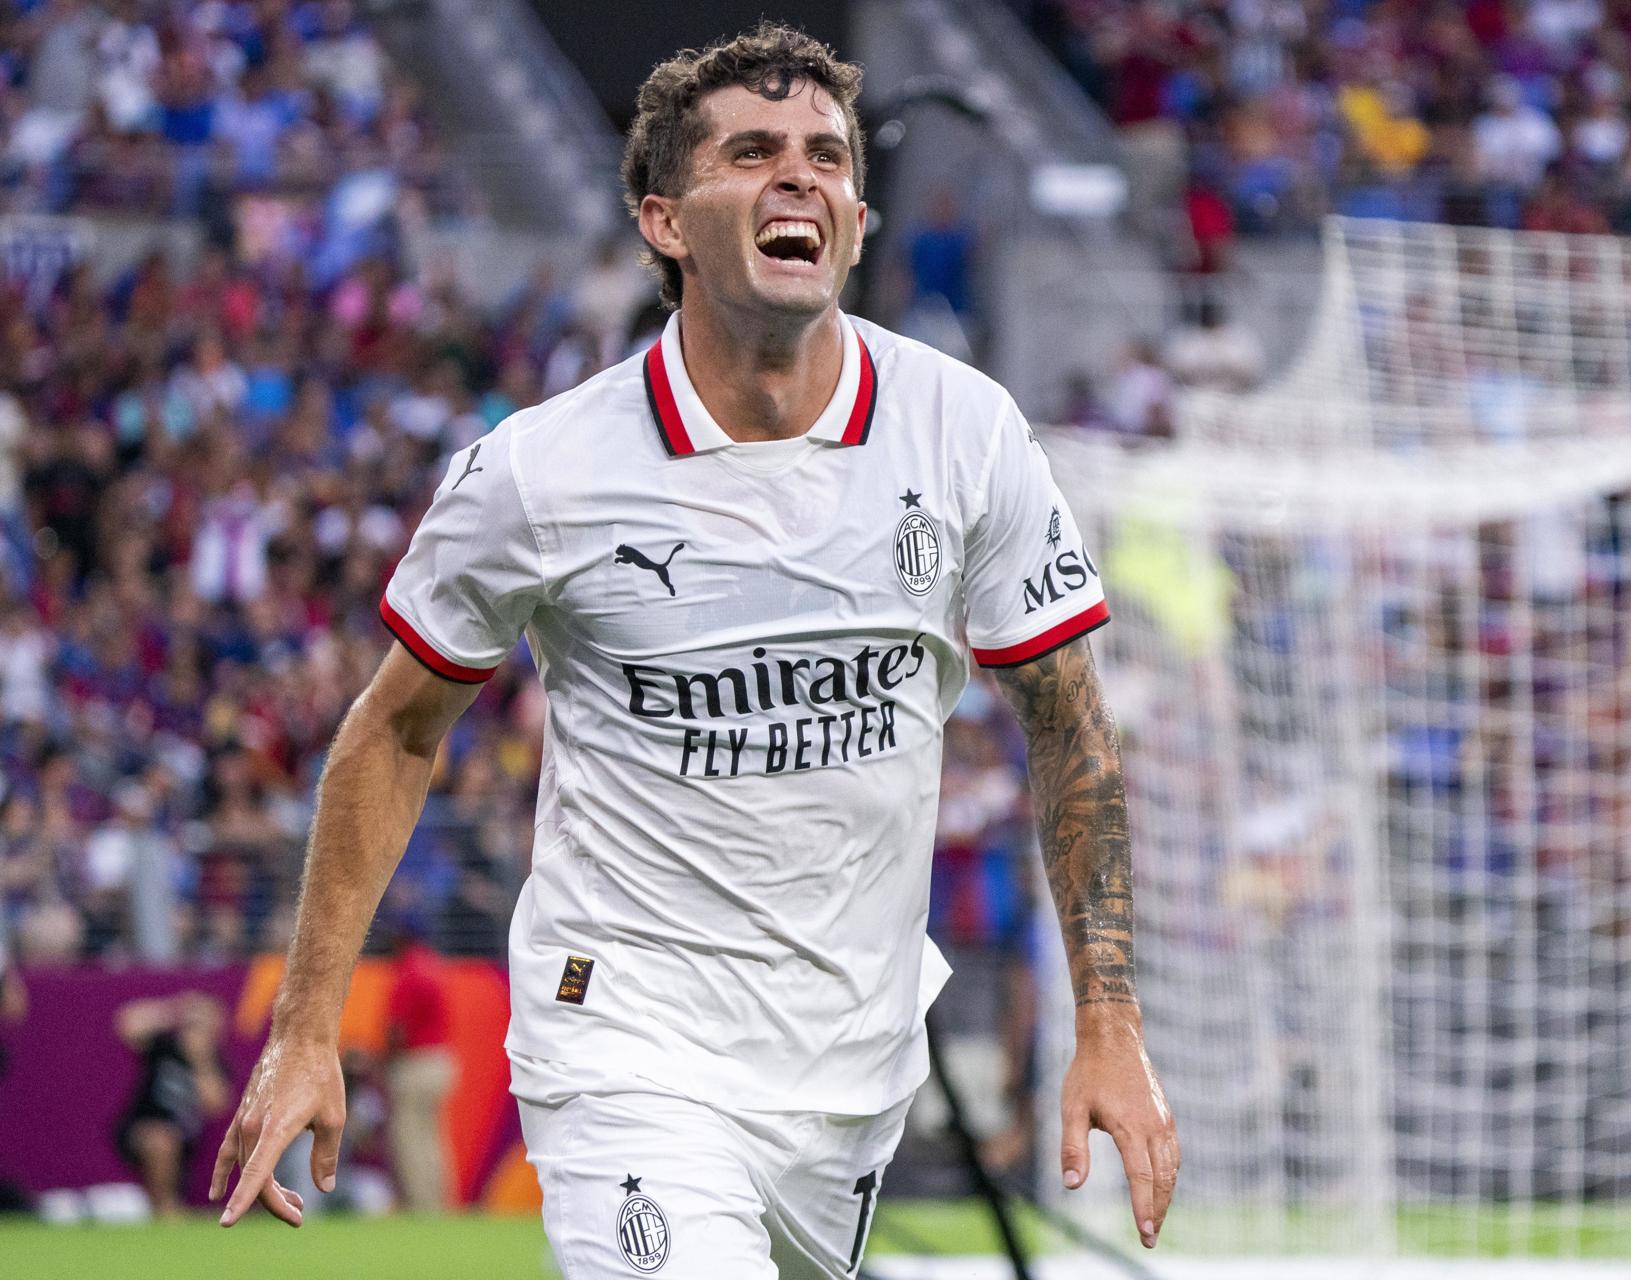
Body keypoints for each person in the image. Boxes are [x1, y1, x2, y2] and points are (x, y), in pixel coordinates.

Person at [210, 22, 1178, 1276]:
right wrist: (304, 1025)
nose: (801, 177)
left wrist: (1110, 1018)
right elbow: (393, 728)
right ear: (666, 221)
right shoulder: (543, 470)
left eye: (827, 156)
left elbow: (1068, 722)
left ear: (858, 219)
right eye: (754, 152)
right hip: (622, 1040)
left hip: (846, 1064)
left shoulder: (966, 433)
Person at [115, 992, 231, 1219]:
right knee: (161, 1139)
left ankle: (166, 1207)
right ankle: (165, 1208)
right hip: (142, 1126)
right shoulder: (164, 1047)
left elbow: (216, 1105)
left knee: (167, 1139)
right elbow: (127, 1024)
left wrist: (200, 1060)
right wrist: (174, 1012)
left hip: (184, 1137)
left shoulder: (214, 1063)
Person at [383, 922, 455, 1212]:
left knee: (409, 1139)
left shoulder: (408, 971)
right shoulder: (433, 965)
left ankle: (421, 1206)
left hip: (414, 1063)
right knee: (431, 1139)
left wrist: (382, 1059)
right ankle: (439, 1203)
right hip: (440, 1060)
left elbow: (398, 1029)